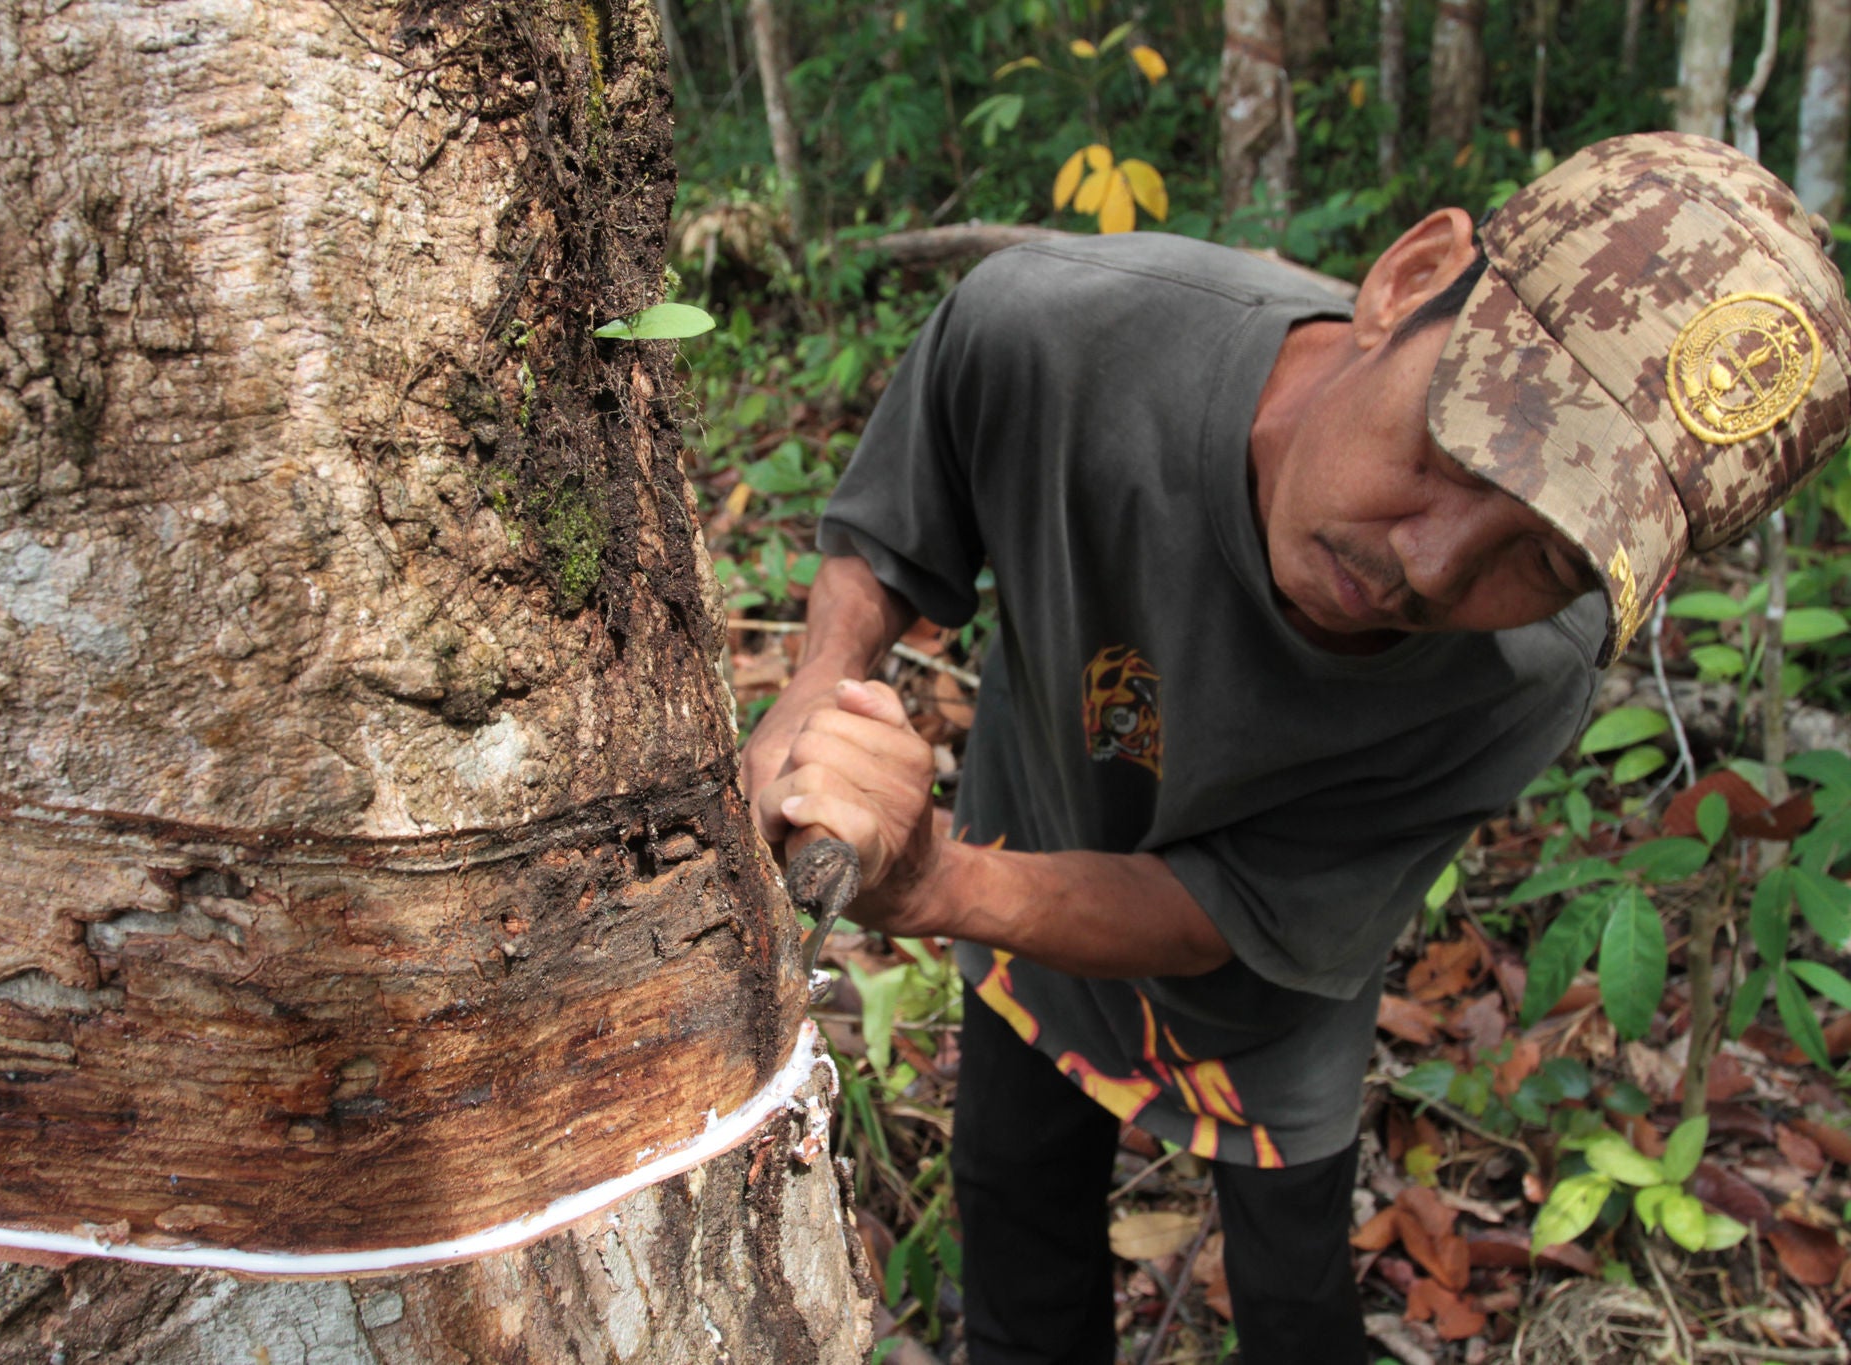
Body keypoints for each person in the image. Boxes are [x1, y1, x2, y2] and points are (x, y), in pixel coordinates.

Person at [742, 132, 1851, 1363]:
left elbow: (1220, 907)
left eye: (1539, 556)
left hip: (1256, 1007)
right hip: (1033, 854)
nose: (1429, 566)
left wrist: (936, 882)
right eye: (1451, 445)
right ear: (1406, 278)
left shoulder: (1527, 666)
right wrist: (820, 685)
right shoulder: (1062, 335)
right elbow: (894, 528)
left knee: (1290, 1298)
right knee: (1016, 1231)